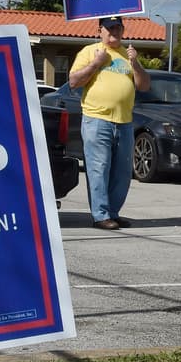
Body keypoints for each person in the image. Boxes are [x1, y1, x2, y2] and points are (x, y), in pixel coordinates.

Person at [68, 15, 150, 230]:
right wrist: (96, 63)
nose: (113, 32)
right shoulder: (89, 52)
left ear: (123, 30)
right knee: (99, 168)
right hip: (97, 120)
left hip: (124, 122)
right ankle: (100, 215)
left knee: (122, 172)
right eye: (109, 28)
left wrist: (136, 63)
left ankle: (113, 212)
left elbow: (143, 86)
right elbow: (74, 82)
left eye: (117, 28)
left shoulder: (127, 55)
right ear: (100, 31)